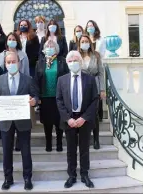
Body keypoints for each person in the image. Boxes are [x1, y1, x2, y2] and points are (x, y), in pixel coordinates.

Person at [0, 51, 38, 191]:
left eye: (13, 61)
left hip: (23, 121)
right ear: (5, 64)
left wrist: (34, 101)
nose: (11, 64)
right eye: (8, 62)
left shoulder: (28, 79)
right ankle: (8, 178)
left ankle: (27, 178)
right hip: (6, 121)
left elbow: (35, 96)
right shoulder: (0, 79)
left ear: (19, 63)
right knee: (7, 151)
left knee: (26, 151)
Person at [56, 50, 98, 189]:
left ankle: (85, 174)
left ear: (80, 62)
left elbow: (94, 100)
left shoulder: (90, 79)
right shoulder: (62, 80)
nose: (73, 63)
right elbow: (59, 100)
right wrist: (68, 119)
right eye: (70, 61)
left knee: (85, 148)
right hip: (70, 118)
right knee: (71, 149)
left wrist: (84, 117)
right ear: (67, 63)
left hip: (84, 117)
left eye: (76, 60)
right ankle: (72, 175)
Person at [35, 39, 69, 152]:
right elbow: (36, 81)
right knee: (47, 122)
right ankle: (48, 143)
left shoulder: (62, 61)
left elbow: (67, 79)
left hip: (59, 97)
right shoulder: (40, 62)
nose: (49, 47)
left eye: (52, 45)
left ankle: (59, 143)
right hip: (44, 98)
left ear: (56, 48)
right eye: (47, 45)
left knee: (59, 121)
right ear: (44, 49)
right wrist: (37, 96)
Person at [78, 34, 105, 150]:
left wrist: (102, 89)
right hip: (82, 87)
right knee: (82, 114)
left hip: (95, 86)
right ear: (79, 44)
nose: (84, 43)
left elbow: (101, 72)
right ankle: (84, 139)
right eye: (82, 41)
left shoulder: (96, 55)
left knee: (94, 115)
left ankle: (96, 139)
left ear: (90, 43)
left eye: (86, 41)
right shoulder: (77, 56)